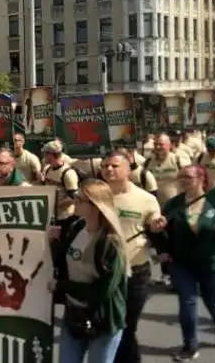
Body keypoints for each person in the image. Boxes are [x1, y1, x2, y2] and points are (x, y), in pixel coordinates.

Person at [48, 179, 129, 363]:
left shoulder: (110, 243)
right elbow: (65, 262)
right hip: (74, 315)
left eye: (80, 199)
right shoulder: (77, 227)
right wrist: (55, 242)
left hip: (103, 319)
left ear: (96, 205)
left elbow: (101, 291)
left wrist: (62, 286)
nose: (73, 202)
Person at [157, 164, 215, 361]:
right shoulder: (174, 204)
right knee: (187, 301)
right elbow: (162, 230)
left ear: (201, 179)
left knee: (214, 302)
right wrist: (162, 248)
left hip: (211, 263)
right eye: (180, 177)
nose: (183, 181)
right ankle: (190, 345)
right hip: (182, 263)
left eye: (188, 177)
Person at [99, 152, 165, 363]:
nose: (109, 169)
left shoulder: (146, 199)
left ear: (128, 170)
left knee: (126, 325)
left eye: (114, 166)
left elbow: (155, 222)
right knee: (112, 325)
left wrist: (156, 227)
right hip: (104, 271)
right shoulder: (96, 196)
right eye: (105, 165)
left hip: (135, 272)